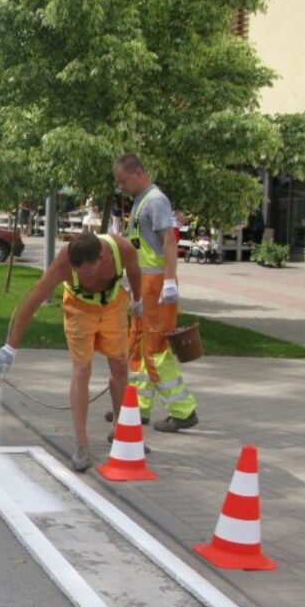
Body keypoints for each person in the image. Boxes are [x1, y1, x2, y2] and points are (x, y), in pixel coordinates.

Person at [0, 231, 142, 471]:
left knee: (119, 365)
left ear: (101, 257)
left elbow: (135, 270)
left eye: (88, 272)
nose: (83, 276)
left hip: (113, 304)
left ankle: (120, 429)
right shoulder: (64, 262)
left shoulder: (121, 249)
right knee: (82, 369)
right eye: (78, 272)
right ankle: (82, 445)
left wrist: (138, 300)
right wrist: (11, 346)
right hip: (79, 309)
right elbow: (33, 301)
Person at [113, 153, 198, 431]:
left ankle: (183, 411)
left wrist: (170, 282)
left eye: (123, 180)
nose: (121, 186)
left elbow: (169, 243)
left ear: (137, 173)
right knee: (137, 345)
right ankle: (136, 407)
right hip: (144, 286)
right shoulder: (140, 201)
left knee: (156, 348)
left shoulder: (156, 200)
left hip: (157, 286)